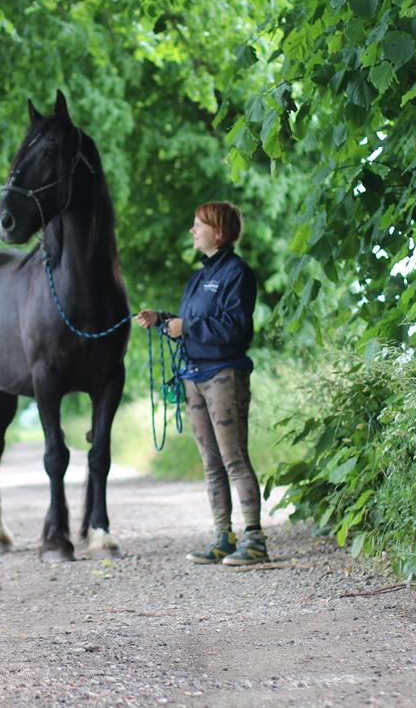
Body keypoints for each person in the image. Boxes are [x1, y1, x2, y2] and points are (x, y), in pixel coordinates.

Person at [134, 201, 268, 566]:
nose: (192, 231)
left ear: (219, 233)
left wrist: (187, 326)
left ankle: (255, 540)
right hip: (193, 377)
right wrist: (163, 319)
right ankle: (223, 537)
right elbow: (193, 321)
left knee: (234, 458)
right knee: (211, 463)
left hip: (225, 376)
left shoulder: (237, 274)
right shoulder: (197, 279)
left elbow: (236, 327)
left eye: (199, 225)